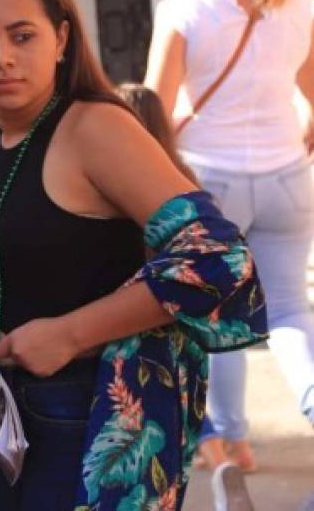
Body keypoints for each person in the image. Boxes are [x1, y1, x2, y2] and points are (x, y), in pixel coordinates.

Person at [0, 0, 265, 510]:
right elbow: (51, 259)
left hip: (85, 414)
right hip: (11, 417)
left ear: (61, 38)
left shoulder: (94, 127)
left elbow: (218, 256)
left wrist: (70, 332)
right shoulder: (0, 136)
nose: (1, 59)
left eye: (22, 36)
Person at [145, 0, 314, 474]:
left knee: (219, 311)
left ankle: (229, 441)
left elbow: (154, 109)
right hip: (289, 176)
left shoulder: (183, 8)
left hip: (209, 180)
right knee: (291, 310)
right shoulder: (297, 1)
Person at [117, 83, 254, 510]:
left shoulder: (120, 179)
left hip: (136, 316)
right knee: (184, 403)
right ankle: (234, 454)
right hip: (187, 317)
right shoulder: (184, 176)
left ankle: (218, 458)